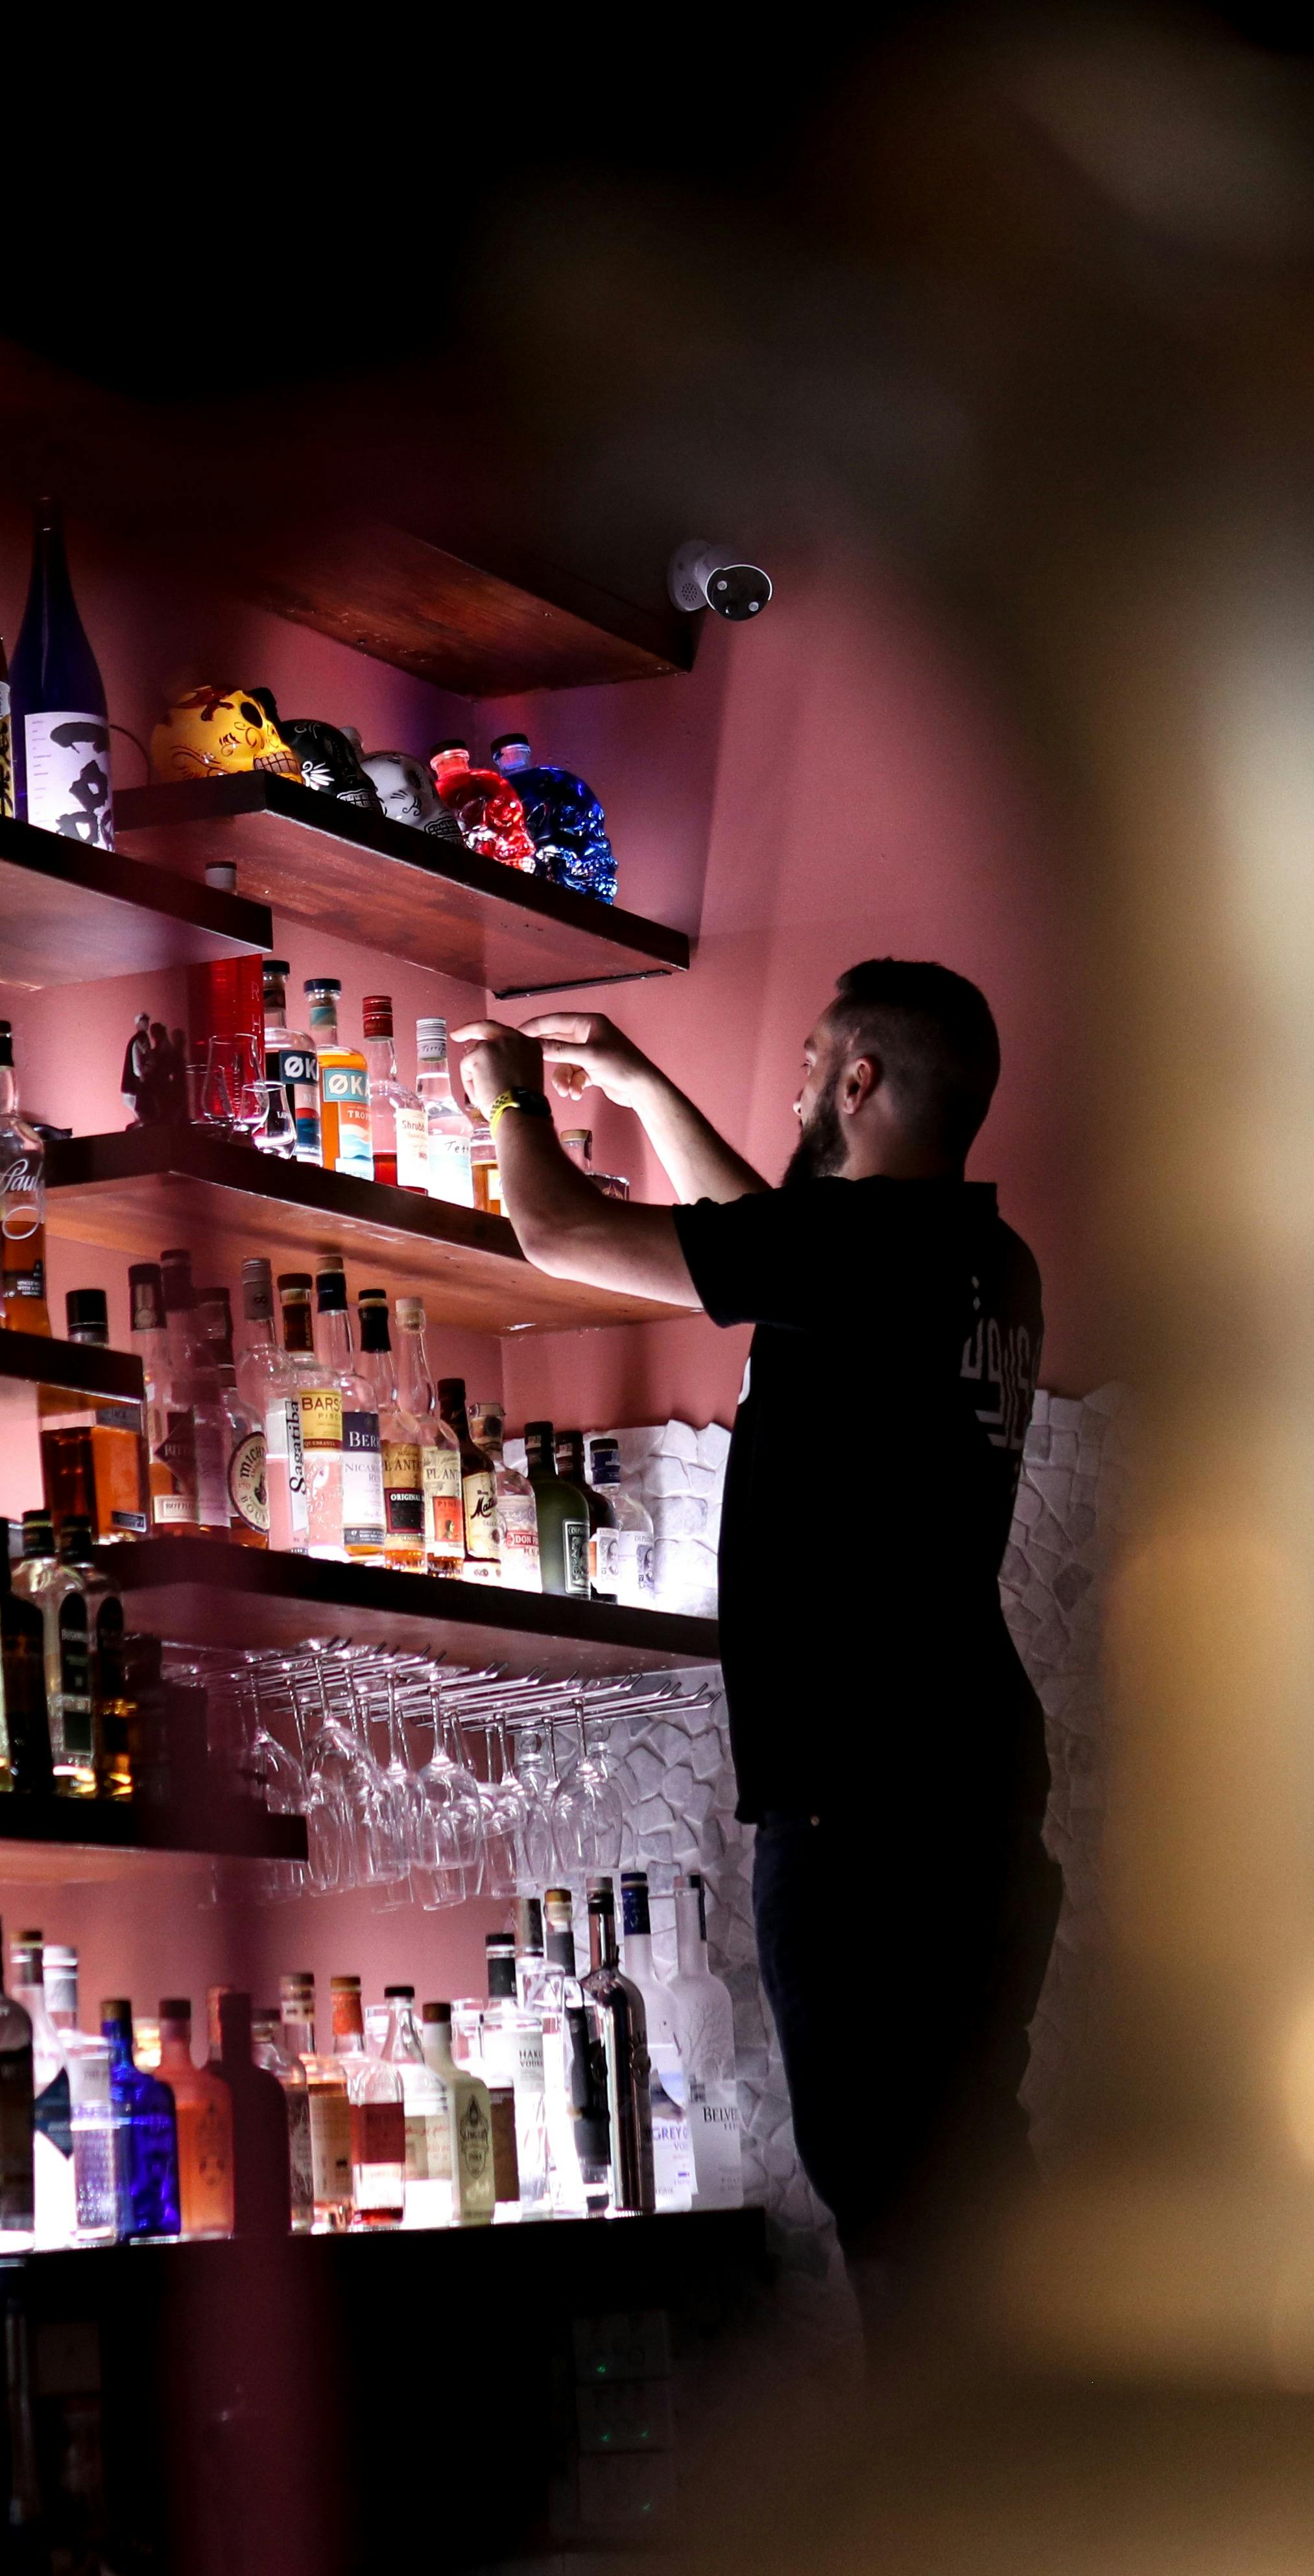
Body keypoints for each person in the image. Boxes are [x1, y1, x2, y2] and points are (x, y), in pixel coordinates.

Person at [452, 960, 1053, 2339]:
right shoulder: (981, 1261)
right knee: (973, 2180)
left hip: (859, 1813)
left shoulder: (860, 1255)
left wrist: (509, 1094)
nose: (789, 1083)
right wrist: (648, 1087)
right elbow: (774, 1240)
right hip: (973, 1793)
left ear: (858, 1082)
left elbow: (557, 1231)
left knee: (894, 2209)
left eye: (807, 1058)